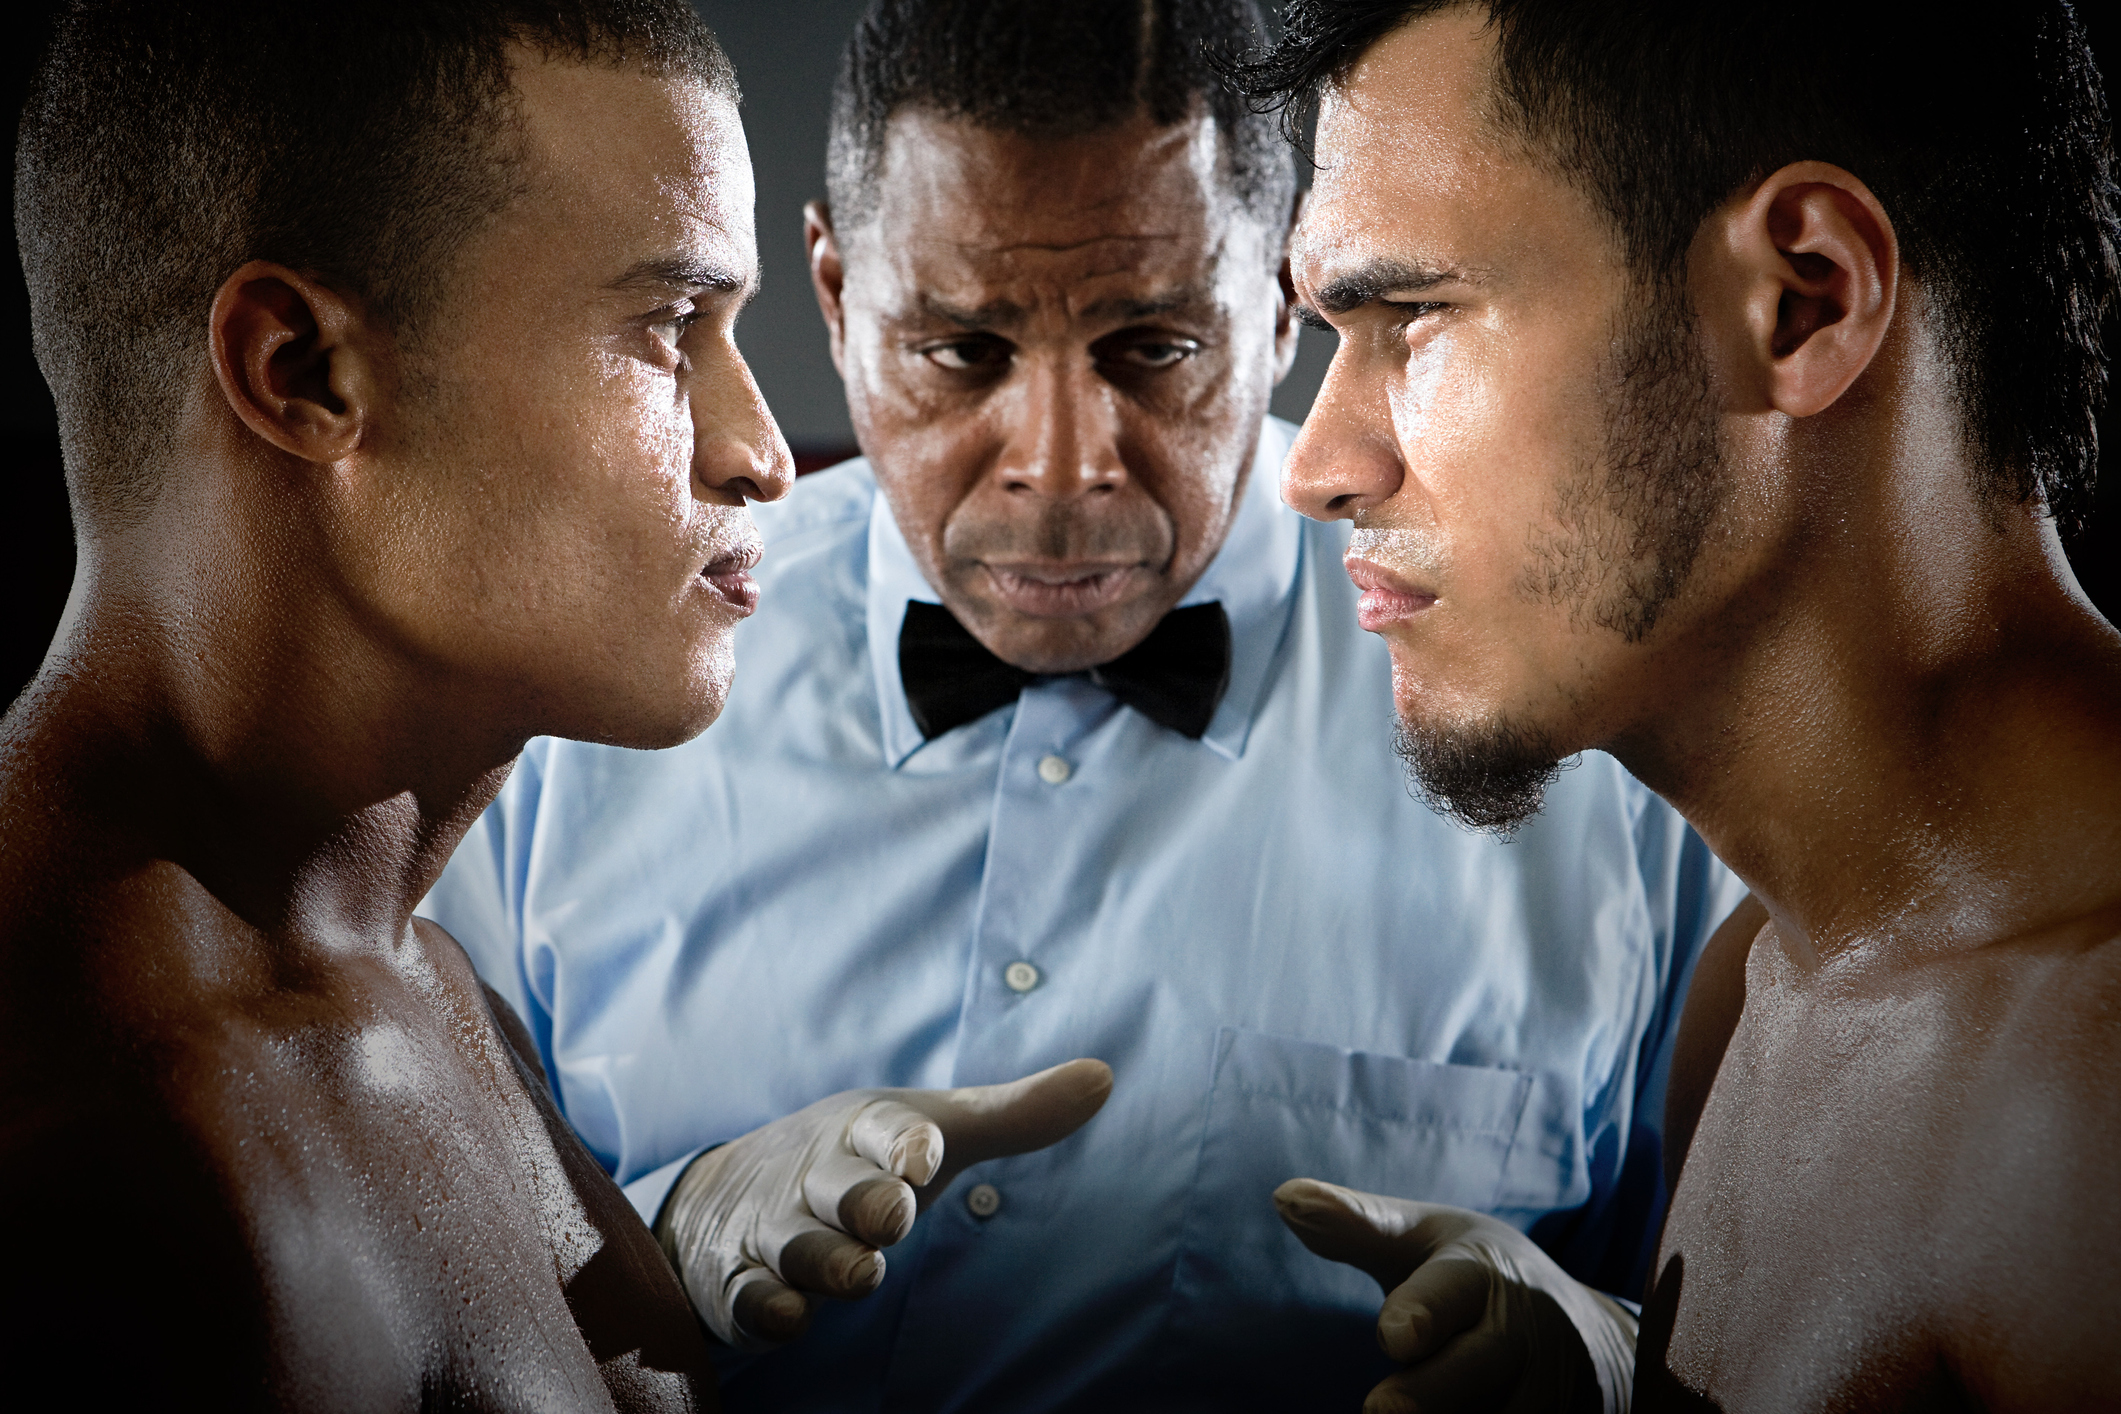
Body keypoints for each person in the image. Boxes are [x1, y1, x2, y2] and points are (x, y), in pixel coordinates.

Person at [419, 2, 1750, 1409]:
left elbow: (1762, 1309)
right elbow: (406, 1298)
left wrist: (1610, 1358)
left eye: (1154, 347)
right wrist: (654, 1237)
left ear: (1283, 301)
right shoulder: (561, 718)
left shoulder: (1596, 734)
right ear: (835, 294)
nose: (1059, 471)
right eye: (961, 352)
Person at [0, 0, 1110, 1403]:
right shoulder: (100, 1134)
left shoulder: (393, 967)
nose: (763, 453)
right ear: (305, 374)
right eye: (668, 326)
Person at [1241, 0, 2121, 1408]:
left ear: (1800, 300)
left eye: (1413, 318)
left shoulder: (2090, 1102)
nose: (1316, 465)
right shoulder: (1757, 978)